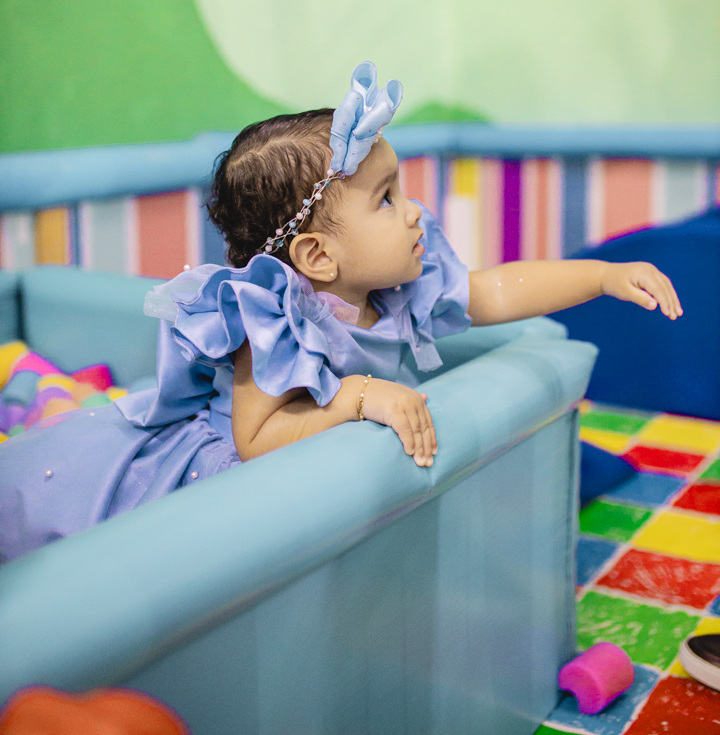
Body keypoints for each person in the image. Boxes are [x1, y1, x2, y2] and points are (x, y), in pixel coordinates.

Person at [0, 64, 682, 561]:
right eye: (387, 199)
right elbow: (255, 438)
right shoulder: (276, 316)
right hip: (218, 481)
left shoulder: (398, 288)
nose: (414, 211)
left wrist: (602, 276)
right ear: (319, 256)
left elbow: (497, 291)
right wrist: (357, 396)